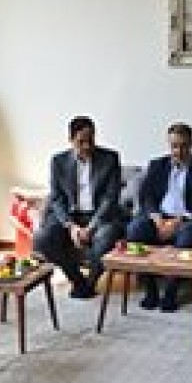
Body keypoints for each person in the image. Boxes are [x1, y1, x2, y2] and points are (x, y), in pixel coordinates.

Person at [126, 122, 192, 311]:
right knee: (135, 229)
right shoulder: (157, 165)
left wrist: (178, 221)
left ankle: (171, 291)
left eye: (183, 146)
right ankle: (151, 289)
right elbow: (146, 196)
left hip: (188, 220)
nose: (178, 151)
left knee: (188, 235)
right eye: (174, 146)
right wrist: (157, 219)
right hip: (159, 218)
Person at [33, 116, 124, 299]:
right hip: (70, 216)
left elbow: (110, 198)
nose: (87, 146)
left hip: (99, 216)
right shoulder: (58, 161)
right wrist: (71, 226)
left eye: (90, 140)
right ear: (70, 139)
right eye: (81, 142)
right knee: (42, 239)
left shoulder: (110, 158)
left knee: (106, 237)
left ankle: (90, 283)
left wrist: (91, 227)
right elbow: (56, 198)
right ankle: (76, 279)